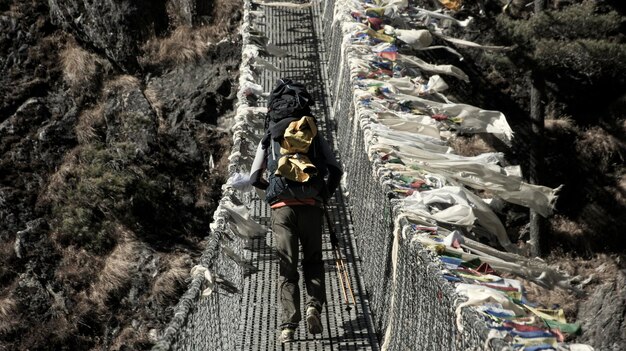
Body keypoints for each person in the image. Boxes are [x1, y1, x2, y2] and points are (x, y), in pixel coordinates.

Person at [250, 79, 343, 343]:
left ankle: (288, 326)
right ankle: (314, 305)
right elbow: (335, 169)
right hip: (312, 206)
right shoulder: (311, 132)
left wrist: (272, 195)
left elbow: (254, 176)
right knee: (313, 259)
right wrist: (322, 194)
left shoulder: (269, 135)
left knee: (287, 266)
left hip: (282, 209)